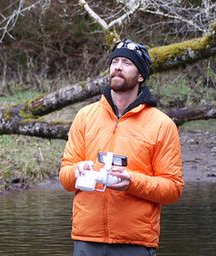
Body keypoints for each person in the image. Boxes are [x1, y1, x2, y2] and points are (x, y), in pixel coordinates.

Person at [59, 39, 183, 256]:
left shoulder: (162, 124)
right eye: (115, 61)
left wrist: (131, 182)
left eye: (126, 62)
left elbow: (172, 189)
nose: (117, 66)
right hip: (87, 240)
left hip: (135, 243)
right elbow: (65, 176)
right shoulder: (85, 117)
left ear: (140, 76)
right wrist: (75, 171)